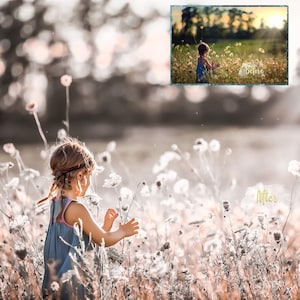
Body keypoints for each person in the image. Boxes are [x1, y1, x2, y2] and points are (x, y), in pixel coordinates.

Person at [37, 137, 139, 299]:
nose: (90, 182)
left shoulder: (56, 204)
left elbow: (82, 241)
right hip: (72, 288)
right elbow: (103, 240)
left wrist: (105, 226)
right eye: (90, 175)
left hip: (54, 285)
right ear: (81, 175)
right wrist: (122, 232)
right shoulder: (77, 209)